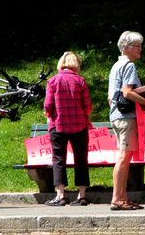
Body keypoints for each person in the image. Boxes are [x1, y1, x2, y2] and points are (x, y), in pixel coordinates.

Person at [108, 31, 145, 211]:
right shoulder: (129, 66)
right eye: (137, 46)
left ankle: (123, 197)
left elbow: (113, 95)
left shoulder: (116, 65)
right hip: (126, 117)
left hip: (117, 116)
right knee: (124, 157)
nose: (140, 49)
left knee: (125, 156)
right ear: (127, 48)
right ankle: (117, 198)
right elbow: (127, 92)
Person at [43, 51, 92, 206]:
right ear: (76, 64)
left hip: (58, 126)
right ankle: (82, 195)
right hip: (80, 126)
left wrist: (50, 115)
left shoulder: (52, 81)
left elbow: (48, 106)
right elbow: (88, 106)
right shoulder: (80, 81)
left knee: (58, 159)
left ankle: (60, 195)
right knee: (81, 159)